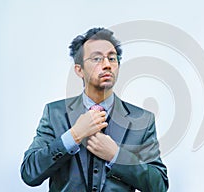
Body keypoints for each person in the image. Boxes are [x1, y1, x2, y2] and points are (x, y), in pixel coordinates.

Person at [20, 27, 169, 192]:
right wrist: (74, 135)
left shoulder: (142, 119)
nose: (107, 65)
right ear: (79, 70)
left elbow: (159, 185)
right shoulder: (55, 113)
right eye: (97, 58)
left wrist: (116, 157)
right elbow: (29, 173)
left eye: (112, 58)